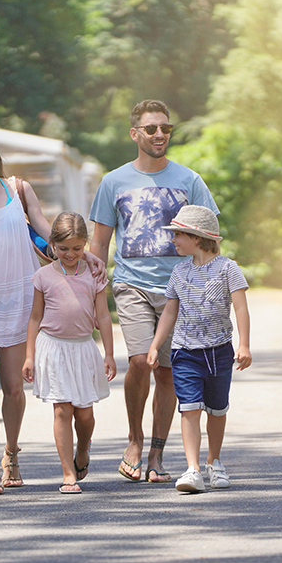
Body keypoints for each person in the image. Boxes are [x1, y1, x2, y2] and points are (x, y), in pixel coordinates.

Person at [0, 126, 106, 494]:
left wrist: (85, 253)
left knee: (14, 387)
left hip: (16, 295)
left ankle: (11, 452)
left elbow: (48, 234)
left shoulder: (19, 189)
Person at [89, 99, 219, 483]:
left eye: (165, 128)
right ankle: (134, 438)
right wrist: (92, 289)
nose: (160, 134)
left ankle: (157, 452)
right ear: (135, 134)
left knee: (167, 372)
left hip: (178, 289)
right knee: (140, 361)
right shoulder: (114, 182)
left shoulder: (189, 180)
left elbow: (209, 237)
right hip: (131, 283)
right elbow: (99, 243)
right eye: (151, 129)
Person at [146, 205, 251, 493]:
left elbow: (241, 308)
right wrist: (155, 345)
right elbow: (169, 312)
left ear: (197, 237)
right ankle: (192, 469)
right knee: (189, 408)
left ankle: (214, 461)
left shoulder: (228, 268)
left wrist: (243, 344)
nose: (174, 240)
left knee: (217, 409)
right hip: (185, 351)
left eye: (179, 234)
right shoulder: (179, 272)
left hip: (218, 350)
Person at [22, 212, 116, 494]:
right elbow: (34, 319)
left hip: (83, 348)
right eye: (63, 249)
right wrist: (29, 356)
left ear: (85, 244)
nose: (70, 254)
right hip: (53, 348)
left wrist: (109, 354)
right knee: (62, 410)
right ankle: (67, 473)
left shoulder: (94, 275)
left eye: (77, 248)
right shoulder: (43, 276)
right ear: (52, 244)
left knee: (84, 414)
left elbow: (104, 316)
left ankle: (83, 450)